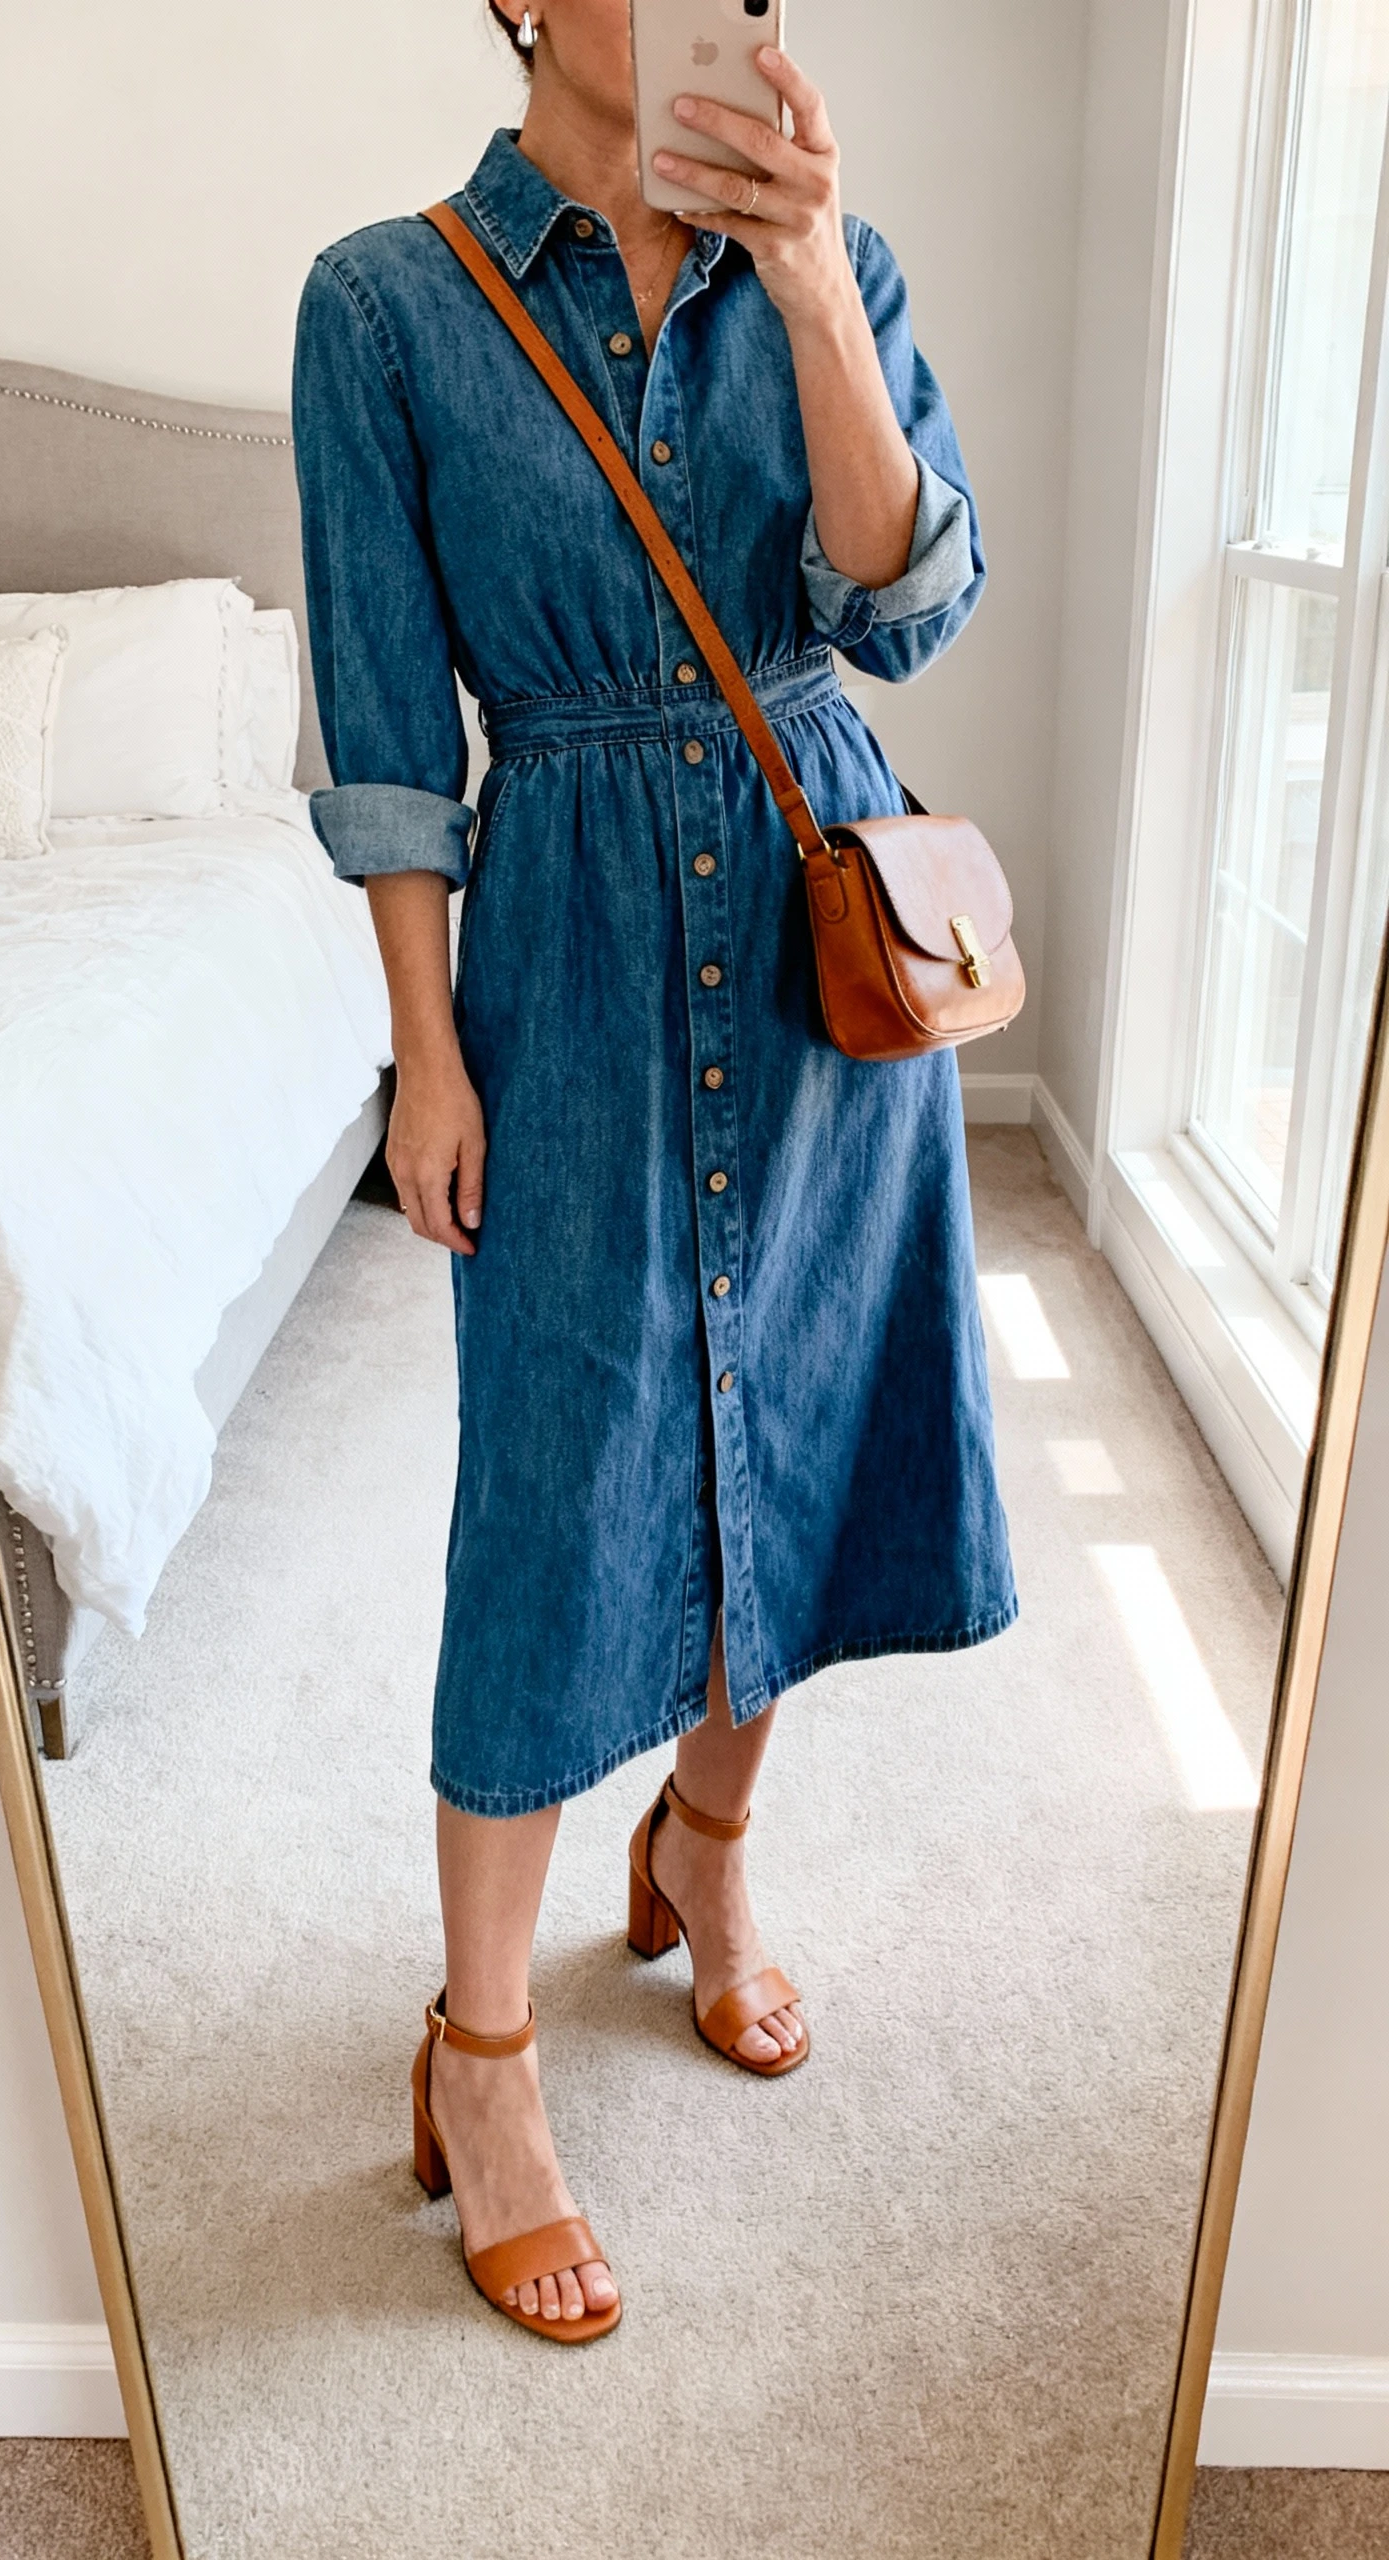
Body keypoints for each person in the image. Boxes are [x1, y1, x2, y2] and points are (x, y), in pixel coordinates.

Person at [292, 0, 1016, 2344]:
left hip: (820, 931)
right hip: (572, 953)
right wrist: (425, 1054)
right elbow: (389, 736)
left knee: (784, 1431)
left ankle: (706, 1848)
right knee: (553, 1491)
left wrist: (814, 296)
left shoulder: (836, 260)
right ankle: (481, 2050)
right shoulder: (384, 305)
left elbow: (907, 602)